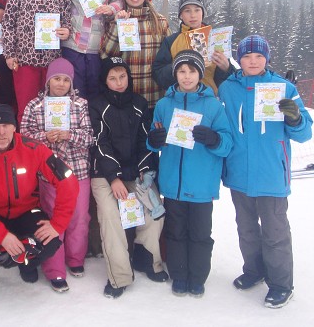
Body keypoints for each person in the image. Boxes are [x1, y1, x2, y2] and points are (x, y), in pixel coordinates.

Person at [219, 35, 313, 309]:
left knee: (275, 233)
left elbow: (305, 133)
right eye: (247, 56)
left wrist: (294, 117)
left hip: (271, 173)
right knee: (246, 229)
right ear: (240, 58)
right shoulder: (228, 89)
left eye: (258, 56)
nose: (252, 61)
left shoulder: (283, 87)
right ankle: (254, 270)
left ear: (267, 59)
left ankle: (282, 285)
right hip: (239, 173)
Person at [0, 104, 79, 299]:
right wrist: (2, 236)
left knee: (50, 240)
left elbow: (68, 180)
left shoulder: (34, 148)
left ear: (15, 127)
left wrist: (58, 224)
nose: (2, 132)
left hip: (25, 212)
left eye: (6, 125)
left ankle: (25, 262)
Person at [147, 50, 232, 298]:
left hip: (202, 184)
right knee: (175, 232)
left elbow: (227, 144)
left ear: (200, 73)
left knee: (200, 233)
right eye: (181, 71)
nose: (186, 77)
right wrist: (154, 139)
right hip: (172, 183)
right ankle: (179, 274)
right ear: (175, 73)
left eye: (192, 71)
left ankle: (197, 277)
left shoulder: (213, 105)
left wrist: (214, 139)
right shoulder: (164, 104)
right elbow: (154, 138)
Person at [89, 57, 167, 299]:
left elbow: (146, 142)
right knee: (111, 218)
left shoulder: (140, 103)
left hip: (135, 173)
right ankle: (120, 276)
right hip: (105, 174)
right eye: (112, 78)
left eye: (122, 76)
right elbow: (99, 144)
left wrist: (144, 171)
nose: (119, 82)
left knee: (155, 210)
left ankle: (147, 260)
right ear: (105, 81)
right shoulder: (96, 105)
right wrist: (114, 178)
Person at [20, 57, 93, 292]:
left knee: (79, 219)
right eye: (56, 79)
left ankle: (75, 259)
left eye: (65, 80)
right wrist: (45, 137)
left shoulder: (80, 104)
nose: (60, 84)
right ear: (48, 81)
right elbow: (23, 138)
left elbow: (89, 137)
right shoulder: (35, 106)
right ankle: (54, 269)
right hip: (49, 173)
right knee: (52, 221)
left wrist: (69, 134)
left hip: (78, 170)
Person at [2, 0, 72, 124]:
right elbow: (8, 21)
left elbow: (67, 18)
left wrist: (66, 31)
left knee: (51, 110)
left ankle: (47, 151)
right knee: (26, 108)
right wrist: (9, 53)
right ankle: (26, 149)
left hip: (52, 61)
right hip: (25, 60)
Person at [100, 0, 171, 110]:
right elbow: (105, 55)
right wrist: (117, 25)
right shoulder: (115, 21)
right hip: (126, 97)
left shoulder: (160, 22)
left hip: (154, 95)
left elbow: (168, 58)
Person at [152, 0, 233, 95]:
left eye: (197, 10)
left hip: (208, 99)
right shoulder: (171, 41)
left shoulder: (216, 39)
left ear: (203, 13)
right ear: (181, 15)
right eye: (187, 11)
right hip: (180, 99)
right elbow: (158, 75)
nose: (193, 15)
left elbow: (229, 81)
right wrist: (178, 66)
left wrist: (227, 68)